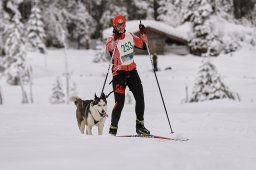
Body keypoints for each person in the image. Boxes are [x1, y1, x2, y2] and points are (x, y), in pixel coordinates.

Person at [105, 15, 150, 136]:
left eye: (122, 24)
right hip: (119, 73)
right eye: (118, 25)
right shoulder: (111, 39)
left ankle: (140, 127)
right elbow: (109, 48)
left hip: (132, 71)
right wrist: (115, 38)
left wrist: (143, 35)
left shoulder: (130, 36)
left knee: (140, 98)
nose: (121, 27)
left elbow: (143, 46)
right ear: (114, 26)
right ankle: (113, 129)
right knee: (119, 103)